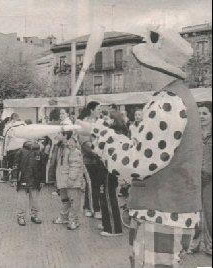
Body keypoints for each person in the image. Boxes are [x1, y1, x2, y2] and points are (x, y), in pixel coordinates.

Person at [76, 27, 202, 268]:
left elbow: (137, 164)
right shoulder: (176, 98)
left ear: (155, 65)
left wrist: (97, 133)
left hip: (162, 212)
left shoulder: (168, 103)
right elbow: (143, 150)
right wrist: (98, 131)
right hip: (166, 212)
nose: (139, 66)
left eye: (143, 61)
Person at [99, 111, 127, 237]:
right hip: (110, 168)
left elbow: (101, 149)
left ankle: (114, 228)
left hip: (109, 168)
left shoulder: (112, 135)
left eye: (109, 119)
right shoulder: (121, 135)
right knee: (106, 195)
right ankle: (107, 223)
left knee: (109, 196)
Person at [189, 104, 212, 255]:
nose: (202, 116)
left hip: (210, 179)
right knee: (194, 213)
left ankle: (210, 245)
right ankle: (194, 243)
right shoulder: (193, 134)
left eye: (205, 113)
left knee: (210, 213)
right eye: (199, 113)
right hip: (195, 179)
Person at [78, 101, 104, 219]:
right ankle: (93, 208)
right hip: (89, 160)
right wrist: (98, 152)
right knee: (91, 184)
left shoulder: (100, 123)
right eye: (98, 109)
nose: (100, 111)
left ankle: (91, 207)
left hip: (99, 159)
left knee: (97, 184)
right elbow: (85, 143)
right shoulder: (84, 124)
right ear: (92, 110)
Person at [52, 133, 84, 230]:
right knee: (65, 200)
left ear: (65, 136)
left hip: (71, 181)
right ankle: (64, 217)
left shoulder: (72, 149)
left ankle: (74, 220)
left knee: (74, 201)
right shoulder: (61, 147)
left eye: (59, 134)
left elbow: (75, 165)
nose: (56, 136)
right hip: (63, 180)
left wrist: (71, 178)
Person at [14, 140, 45, 226]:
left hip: (35, 179)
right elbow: (16, 166)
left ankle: (33, 215)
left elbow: (42, 167)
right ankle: (21, 216)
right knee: (22, 199)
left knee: (34, 199)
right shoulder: (20, 152)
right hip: (23, 178)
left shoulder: (39, 152)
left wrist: (42, 180)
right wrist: (14, 178)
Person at [3, 113, 26, 184]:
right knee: (22, 164)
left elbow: (5, 138)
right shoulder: (24, 125)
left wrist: (4, 152)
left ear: (11, 119)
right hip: (22, 147)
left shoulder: (8, 126)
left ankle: (13, 179)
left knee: (14, 164)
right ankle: (22, 180)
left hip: (12, 148)